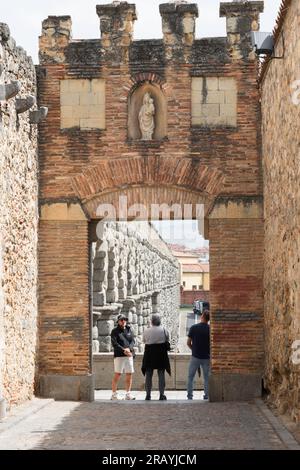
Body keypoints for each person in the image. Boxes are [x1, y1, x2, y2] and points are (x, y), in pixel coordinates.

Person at [141, 314, 171, 401]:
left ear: (152, 321)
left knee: (148, 375)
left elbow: (144, 340)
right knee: (161, 374)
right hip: (161, 354)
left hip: (149, 354)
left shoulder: (146, 331)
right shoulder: (164, 330)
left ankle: (148, 395)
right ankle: (161, 394)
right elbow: (167, 339)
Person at [110, 313, 136, 400]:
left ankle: (128, 394)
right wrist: (124, 350)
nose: (124, 321)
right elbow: (114, 344)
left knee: (129, 374)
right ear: (118, 321)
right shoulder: (114, 331)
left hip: (129, 355)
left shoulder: (129, 329)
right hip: (119, 356)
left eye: (125, 319)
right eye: (121, 320)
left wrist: (129, 349)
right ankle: (114, 394)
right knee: (117, 374)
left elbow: (133, 341)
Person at [187, 310, 210, 400]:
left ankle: (190, 396)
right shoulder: (210, 329)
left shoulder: (194, 328)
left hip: (195, 356)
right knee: (207, 378)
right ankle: (206, 396)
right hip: (206, 357)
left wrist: (194, 350)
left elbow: (188, 343)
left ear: (202, 317)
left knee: (190, 377)